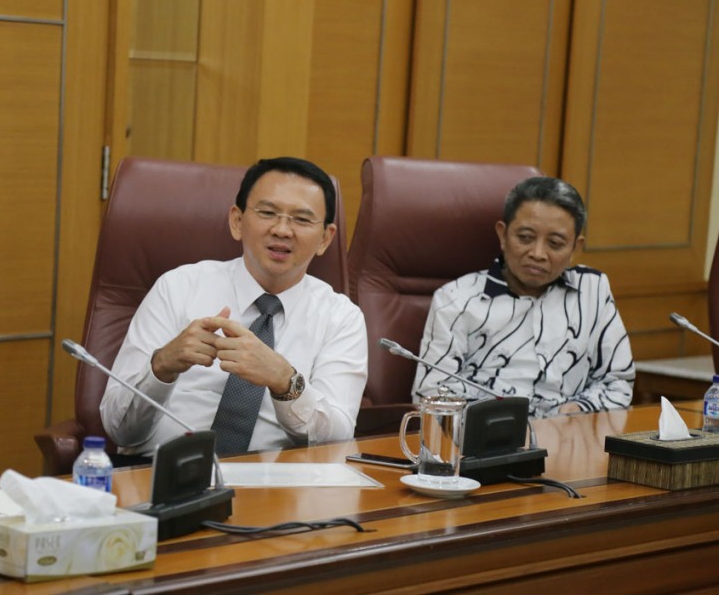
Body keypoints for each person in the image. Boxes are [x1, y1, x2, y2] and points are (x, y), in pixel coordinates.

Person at [101, 157, 367, 457]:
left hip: (278, 480)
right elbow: (117, 428)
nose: (282, 230)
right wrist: (161, 366)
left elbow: (337, 439)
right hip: (161, 472)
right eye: (268, 212)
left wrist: (285, 381)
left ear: (325, 239)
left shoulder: (341, 318)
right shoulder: (178, 287)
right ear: (237, 221)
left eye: (302, 219)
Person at [413, 176, 634, 417]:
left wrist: (577, 411)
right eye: (525, 238)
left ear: (575, 248)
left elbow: (617, 381)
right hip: (484, 436)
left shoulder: (592, 290)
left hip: (570, 434)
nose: (538, 254)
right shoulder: (455, 300)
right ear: (503, 235)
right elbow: (431, 394)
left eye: (555, 243)